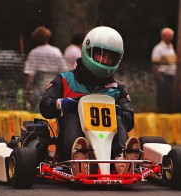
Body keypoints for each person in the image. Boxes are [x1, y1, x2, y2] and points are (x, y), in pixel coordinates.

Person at [39, 26, 141, 175]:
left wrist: (116, 111)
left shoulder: (118, 88)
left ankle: (121, 159)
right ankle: (78, 159)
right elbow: (45, 106)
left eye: (110, 57)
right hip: (72, 142)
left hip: (110, 147)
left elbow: (129, 119)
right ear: (88, 51)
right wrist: (64, 104)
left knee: (118, 118)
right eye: (101, 54)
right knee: (72, 115)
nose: (104, 60)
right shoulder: (64, 80)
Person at [24, 26, 68, 111]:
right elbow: (64, 70)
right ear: (47, 38)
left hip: (39, 85)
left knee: (39, 108)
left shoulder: (34, 53)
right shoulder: (56, 51)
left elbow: (30, 74)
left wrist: (27, 89)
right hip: (55, 84)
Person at [151, 27, 177, 113]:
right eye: (166, 36)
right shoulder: (158, 48)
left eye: (170, 36)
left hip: (171, 75)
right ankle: (161, 112)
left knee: (170, 95)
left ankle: (168, 112)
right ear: (162, 36)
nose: (168, 38)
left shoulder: (171, 48)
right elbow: (155, 64)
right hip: (163, 75)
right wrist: (159, 77)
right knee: (162, 95)